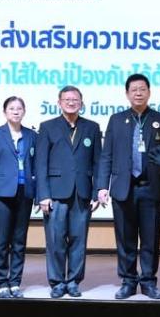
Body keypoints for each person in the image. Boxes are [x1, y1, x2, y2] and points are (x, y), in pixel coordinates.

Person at [97, 74, 160, 300]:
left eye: (142, 89)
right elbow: (107, 155)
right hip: (124, 188)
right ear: (127, 94)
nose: (138, 93)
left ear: (149, 92)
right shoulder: (116, 120)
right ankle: (128, 281)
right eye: (134, 90)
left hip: (152, 188)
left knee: (151, 238)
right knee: (125, 238)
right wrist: (102, 186)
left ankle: (149, 281)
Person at [36, 86, 101, 299]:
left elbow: (98, 162)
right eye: (67, 99)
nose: (71, 103)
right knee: (55, 240)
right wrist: (43, 194)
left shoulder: (92, 127)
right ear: (59, 103)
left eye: (75, 100)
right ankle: (56, 282)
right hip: (55, 194)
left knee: (78, 241)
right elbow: (40, 164)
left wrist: (96, 192)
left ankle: (73, 281)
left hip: (82, 193)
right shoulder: (47, 127)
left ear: (81, 103)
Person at [0, 97, 36, 299]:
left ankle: (15, 282)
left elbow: (37, 166)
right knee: (2, 241)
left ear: (24, 111)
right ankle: (1, 282)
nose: (15, 111)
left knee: (19, 241)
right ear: (5, 112)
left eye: (19, 108)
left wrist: (39, 194)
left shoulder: (32, 135)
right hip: (2, 194)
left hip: (25, 193)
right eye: (11, 108)